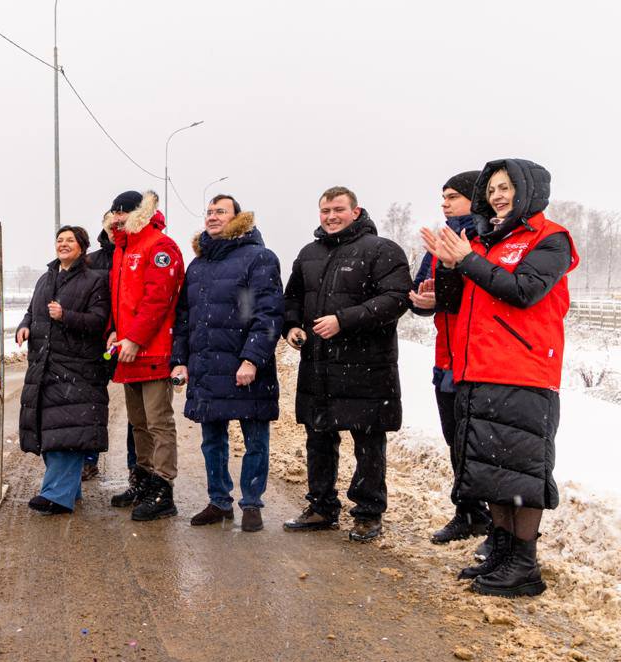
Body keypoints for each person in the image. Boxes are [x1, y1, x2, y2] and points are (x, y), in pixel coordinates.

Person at [423, 159, 577, 597]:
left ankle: (525, 565)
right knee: (491, 470)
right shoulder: (485, 240)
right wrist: (448, 268)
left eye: (506, 187)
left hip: (525, 371)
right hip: (477, 368)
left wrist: (467, 258)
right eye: (491, 189)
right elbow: (458, 302)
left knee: (523, 473)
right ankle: (502, 553)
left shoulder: (550, 240)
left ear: (527, 190)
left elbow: (522, 291)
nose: (497, 195)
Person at [282, 187, 411, 542]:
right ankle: (321, 506)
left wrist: (344, 320)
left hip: (366, 367)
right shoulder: (309, 253)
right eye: (325, 210)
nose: (330, 216)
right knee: (318, 439)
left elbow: (396, 299)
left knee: (368, 442)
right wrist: (291, 326)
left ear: (356, 211)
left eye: (338, 209)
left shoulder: (381, 250)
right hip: (319, 365)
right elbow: (291, 298)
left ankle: (368, 513)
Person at [171, 195, 283, 533]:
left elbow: (268, 313)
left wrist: (252, 358)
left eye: (221, 211)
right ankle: (219, 501)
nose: (212, 217)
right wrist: (180, 361)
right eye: (209, 211)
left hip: (244, 365)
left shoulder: (259, 258)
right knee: (212, 440)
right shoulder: (199, 264)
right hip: (206, 364)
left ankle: (251, 504)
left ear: (238, 218)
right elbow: (185, 317)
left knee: (255, 440)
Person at [407, 171, 493, 547]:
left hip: (480, 358)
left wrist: (442, 294)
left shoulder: (488, 238)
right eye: (442, 197)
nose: (445, 204)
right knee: (454, 439)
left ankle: (500, 524)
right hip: (447, 356)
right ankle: (470, 512)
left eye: (453, 197)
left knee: (482, 443)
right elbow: (428, 293)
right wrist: (424, 301)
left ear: (475, 198)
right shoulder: (440, 240)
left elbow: (481, 295)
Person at [104, 190, 186, 521]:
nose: (118, 217)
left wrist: (135, 339)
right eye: (114, 212)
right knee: (138, 423)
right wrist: (114, 330)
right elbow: (118, 300)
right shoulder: (122, 249)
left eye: (124, 212)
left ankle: (163, 488)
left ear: (140, 212)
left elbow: (158, 300)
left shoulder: (159, 246)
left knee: (158, 422)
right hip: (127, 352)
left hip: (152, 350)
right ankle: (143, 481)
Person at [16, 225, 110, 513]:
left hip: (77, 368)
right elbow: (33, 311)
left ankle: (56, 495)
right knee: (50, 431)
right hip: (43, 366)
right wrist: (24, 326)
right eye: (60, 240)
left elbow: (99, 320)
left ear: (82, 247)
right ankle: (69, 489)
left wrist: (66, 315)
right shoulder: (46, 278)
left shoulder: (96, 280)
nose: (63, 244)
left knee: (67, 434)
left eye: (70, 240)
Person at [83, 212, 136, 484]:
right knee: (91, 402)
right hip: (96, 341)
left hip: (133, 340)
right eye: (112, 223)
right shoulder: (91, 261)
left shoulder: (138, 255)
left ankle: (136, 468)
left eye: (122, 223)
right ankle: (88, 459)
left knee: (137, 409)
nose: (117, 228)